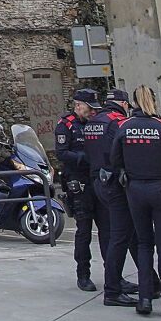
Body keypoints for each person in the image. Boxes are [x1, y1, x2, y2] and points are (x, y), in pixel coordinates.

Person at [109, 85, 161, 318]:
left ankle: (145, 299)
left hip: (135, 190)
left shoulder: (124, 127)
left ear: (133, 103)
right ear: (154, 100)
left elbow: (115, 160)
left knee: (144, 245)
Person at [81, 88, 135, 306]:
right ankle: (113, 288)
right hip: (115, 183)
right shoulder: (117, 122)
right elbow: (121, 153)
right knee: (121, 236)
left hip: (98, 181)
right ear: (123, 104)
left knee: (118, 234)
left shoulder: (94, 121)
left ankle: (128, 282)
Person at [52, 89, 101, 292]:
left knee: (107, 230)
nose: (92, 113)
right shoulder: (67, 125)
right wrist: (84, 158)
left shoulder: (96, 123)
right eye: (89, 109)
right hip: (78, 182)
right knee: (84, 231)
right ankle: (83, 274)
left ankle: (114, 276)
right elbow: (62, 153)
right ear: (79, 106)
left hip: (97, 180)